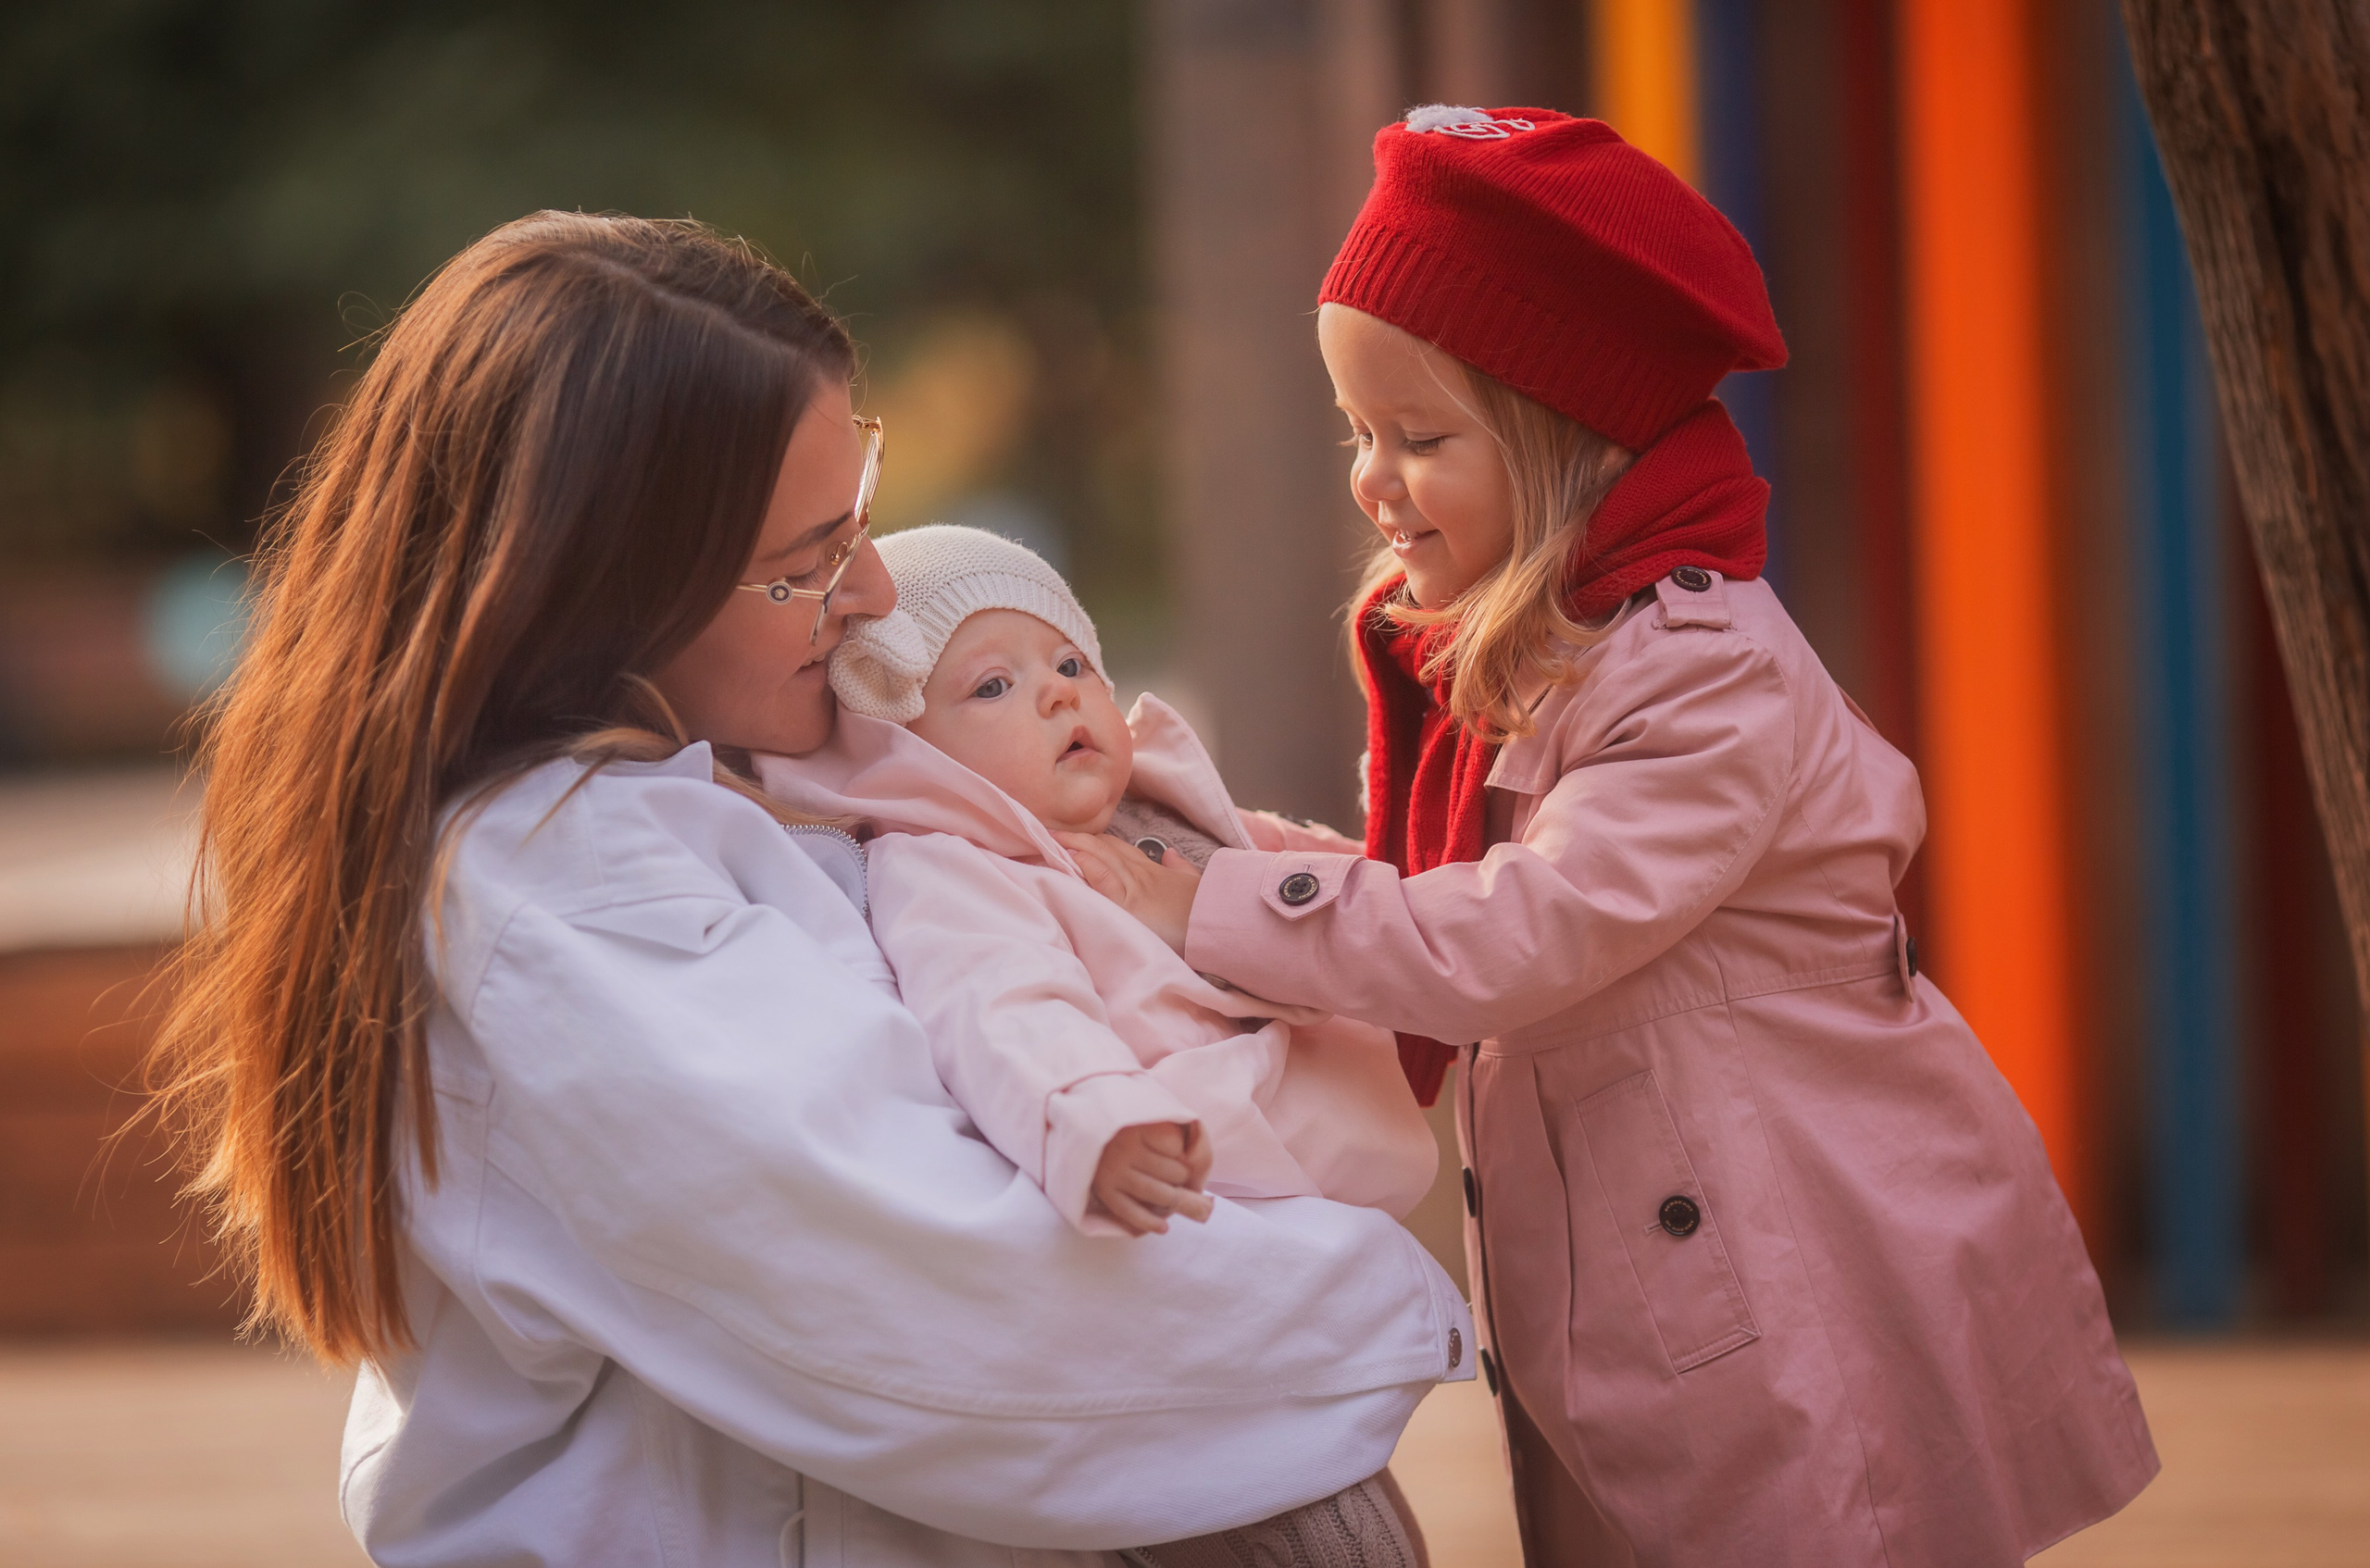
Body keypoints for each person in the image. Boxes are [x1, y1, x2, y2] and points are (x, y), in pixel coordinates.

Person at [147, 211, 1469, 1568]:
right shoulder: (561, 900)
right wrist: (1388, 1292)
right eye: (808, 564)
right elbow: (944, 1303)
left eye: (865, 523)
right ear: (602, 590)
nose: (875, 591)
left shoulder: (737, 784)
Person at [1062, 108, 2160, 1566]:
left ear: (1559, 440)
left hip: (1778, 1251)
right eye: (1356, 433)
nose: (1371, 479)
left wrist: (1218, 903)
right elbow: (1436, 887)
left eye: (1419, 435)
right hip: (1644, 1255)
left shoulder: (1702, 670)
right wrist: (1200, 838)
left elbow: (1523, 929)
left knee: (1806, 1521)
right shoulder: (1552, 652)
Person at [756, 524, 1437, 1240]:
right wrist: (1097, 1116)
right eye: (993, 686)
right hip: (1203, 1172)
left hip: (1345, 1159)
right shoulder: (951, 870)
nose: (1057, 693)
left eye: (1072, 664)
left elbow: (1350, 878)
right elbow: (1001, 1008)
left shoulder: (1161, 804)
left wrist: (1444, 878)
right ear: (905, 754)